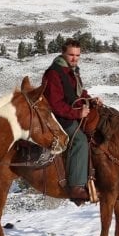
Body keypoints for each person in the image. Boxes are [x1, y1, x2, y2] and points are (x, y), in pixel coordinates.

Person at [42, 38, 101, 203]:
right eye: (71, 55)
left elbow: (77, 94)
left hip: (71, 113)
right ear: (63, 53)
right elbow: (55, 104)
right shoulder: (54, 72)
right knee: (80, 140)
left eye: (77, 55)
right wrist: (77, 114)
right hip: (58, 118)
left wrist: (90, 100)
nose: (74, 58)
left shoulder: (72, 71)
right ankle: (76, 186)